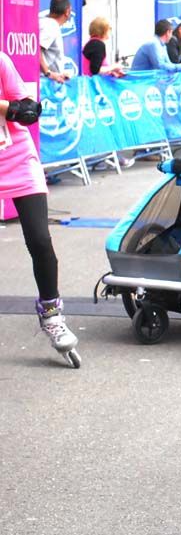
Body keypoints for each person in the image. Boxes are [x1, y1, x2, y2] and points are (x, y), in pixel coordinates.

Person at [0, 52, 79, 361]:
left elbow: (30, 112)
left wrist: (2, 106)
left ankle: (51, 314)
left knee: (40, 240)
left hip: (17, 159)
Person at [39, 0, 72, 83]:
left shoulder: (45, 22)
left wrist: (58, 74)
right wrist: (48, 73)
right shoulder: (51, 25)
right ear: (67, 11)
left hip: (46, 81)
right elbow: (36, 49)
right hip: (45, 83)